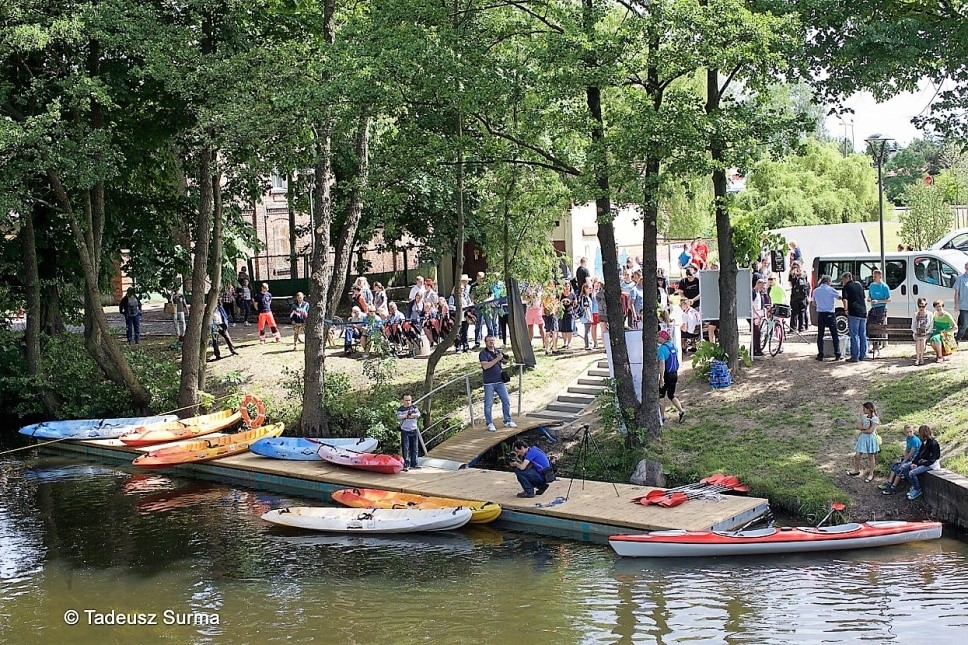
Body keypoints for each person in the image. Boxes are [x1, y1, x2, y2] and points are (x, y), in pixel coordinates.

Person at [479, 335, 516, 432]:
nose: (491, 342)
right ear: (485, 342)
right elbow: (485, 366)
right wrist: (497, 359)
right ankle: (489, 423)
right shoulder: (483, 353)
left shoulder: (497, 351)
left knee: (506, 401)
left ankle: (507, 420)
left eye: (492, 340)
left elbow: (504, 362)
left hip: (500, 381)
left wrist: (504, 358)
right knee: (488, 404)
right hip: (489, 383)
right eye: (489, 341)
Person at [880, 425, 923, 494]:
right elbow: (907, 450)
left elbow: (911, 453)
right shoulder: (908, 438)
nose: (909, 433)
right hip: (910, 458)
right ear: (904, 433)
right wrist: (904, 458)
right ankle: (889, 483)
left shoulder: (915, 440)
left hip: (915, 459)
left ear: (913, 431)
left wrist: (904, 461)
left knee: (900, 469)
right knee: (895, 466)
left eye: (910, 432)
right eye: (907, 432)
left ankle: (893, 487)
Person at [903, 424, 942, 500]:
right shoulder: (924, 442)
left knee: (912, 473)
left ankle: (918, 489)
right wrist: (915, 462)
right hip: (923, 461)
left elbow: (932, 460)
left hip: (931, 465)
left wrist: (919, 463)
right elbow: (919, 454)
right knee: (904, 467)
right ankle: (914, 485)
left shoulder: (933, 443)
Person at [657, 329, 685, 423]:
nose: (657, 338)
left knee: (661, 396)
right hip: (674, 373)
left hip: (666, 375)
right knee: (671, 395)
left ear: (662, 338)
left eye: (658, 337)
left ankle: (662, 417)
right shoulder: (673, 346)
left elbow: (662, 364)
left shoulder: (661, 349)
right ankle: (681, 411)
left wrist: (661, 379)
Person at [847, 401, 880, 482]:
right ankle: (856, 470)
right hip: (863, 438)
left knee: (871, 457)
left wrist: (862, 429)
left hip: (870, 439)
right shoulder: (864, 416)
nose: (863, 410)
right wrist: (864, 428)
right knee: (857, 456)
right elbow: (858, 425)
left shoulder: (875, 419)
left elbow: (870, 431)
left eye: (864, 408)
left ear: (869, 409)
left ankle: (871, 474)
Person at [813, 275, 842, 361]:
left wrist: (820, 304)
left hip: (821, 314)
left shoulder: (815, 291)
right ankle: (837, 354)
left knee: (820, 335)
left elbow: (813, 303)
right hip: (830, 313)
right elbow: (839, 297)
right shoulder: (830, 289)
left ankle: (820, 354)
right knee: (834, 334)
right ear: (829, 282)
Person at [841, 271, 868, 362]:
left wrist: (846, 310)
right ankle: (863, 355)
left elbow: (845, 299)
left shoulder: (846, 287)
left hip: (854, 312)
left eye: (843, 279)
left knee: (854, 335)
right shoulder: (859, 285)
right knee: (863, 334)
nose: (842, 281)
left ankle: (855, 356)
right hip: (863, 311)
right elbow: (863, 298)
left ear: (846, 278)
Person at [867, 268, 891, 355]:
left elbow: (889, 299)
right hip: (873, 308)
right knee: (869, 325)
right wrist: (869, 299)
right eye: (873, 276)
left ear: (880, 276)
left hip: (881, 308)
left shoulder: (884, 286)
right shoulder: (872, 285)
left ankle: (877, 345)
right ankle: (870, 344)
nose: (874, 277)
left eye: (875, 276)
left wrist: (879, 301)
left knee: (879, 327)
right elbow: (869, 296)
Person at [395, 394, 421, 472]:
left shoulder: (414, 408)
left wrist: (412, 415)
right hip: (405, 431)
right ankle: (406, 464)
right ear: (403, 401)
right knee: (405, 448)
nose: (408, 402)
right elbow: (399, 416)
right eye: (406, 400)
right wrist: (406, 415)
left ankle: (415, 464)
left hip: (414, 430)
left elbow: (418, 414)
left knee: (415, 448)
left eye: (409, 400)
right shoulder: (400, 409)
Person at [910, 297, 933, 365]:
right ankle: (917, 358)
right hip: (917, 332)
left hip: (926, 332)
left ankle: (921, 357)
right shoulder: (915, 314)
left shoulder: (930, 314)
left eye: (923, 306)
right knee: (918, 341)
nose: (921, 308)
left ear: (926, 305)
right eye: (920, 306)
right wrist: (915, 331)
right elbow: (913, 326)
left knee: (922, 340)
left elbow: (931, 325)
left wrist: (927, 332)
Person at [788, 262, 811, 332]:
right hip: (803, 296)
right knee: (802, 311)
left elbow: (790, 285)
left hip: (794, 296)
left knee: (794, 312)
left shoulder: (791, 274)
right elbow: (807, 285)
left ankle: (793, 328)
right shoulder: (804, 274)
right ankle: (801, 328)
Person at [541, 282, 560, 355]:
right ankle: (554, 348)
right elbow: (547, 305)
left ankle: (547, 349)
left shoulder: (544, 294)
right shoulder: (550, 295)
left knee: (548, 332)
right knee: (554, 331)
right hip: (550, 313)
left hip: (545, 314)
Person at [559, 281, 577, 349]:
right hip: (562, 313)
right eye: (565, 286)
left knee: (569, 329)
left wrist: (571, 303)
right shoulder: (561, 294)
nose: (567, 288)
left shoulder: (572, 295)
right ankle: (565, 342)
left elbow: (576, 303)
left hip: (569, 313)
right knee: (563, 329)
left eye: (568, 286)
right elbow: (558, 302)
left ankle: (569, 343)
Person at [751, 278, 767, 358]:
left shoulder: (759, 293)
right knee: (756, 332)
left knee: (756, 333)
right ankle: (757, 350)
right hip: (753, 315)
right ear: (758, 284)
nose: (762, 288)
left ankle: (755, 349)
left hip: (757, 315)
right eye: (761, 286)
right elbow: (751, 304)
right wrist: (757, 314)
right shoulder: (753, 292)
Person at [953, 260, 968, 341]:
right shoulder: (960, 279)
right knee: (964, 325)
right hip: (964, 306)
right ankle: (957, 338)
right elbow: (956, 292)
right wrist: (956, 304)